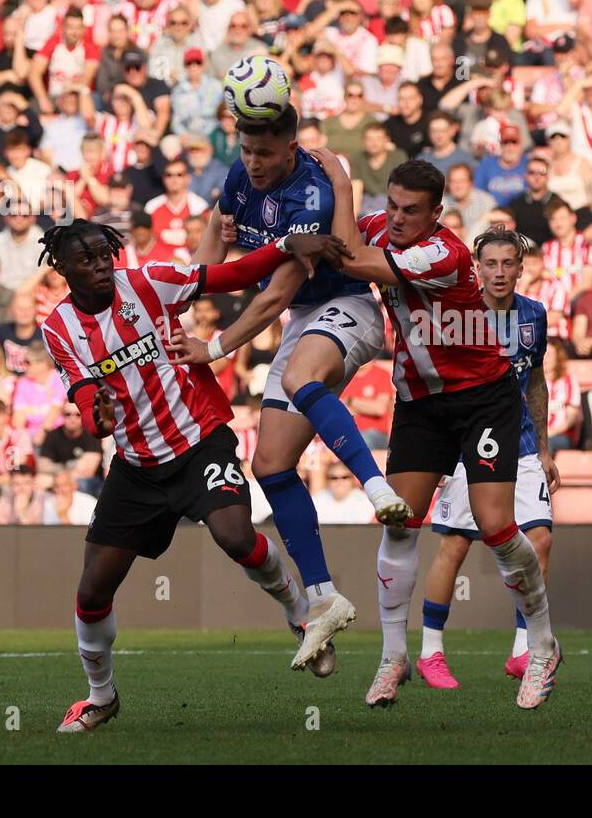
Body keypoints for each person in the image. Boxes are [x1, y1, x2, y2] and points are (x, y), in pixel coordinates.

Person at [38, 218, 347, 732]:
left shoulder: (147, 282)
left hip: (201, 438)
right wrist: (100, 419)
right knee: (92, 591)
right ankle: (101, 696)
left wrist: (287, 244)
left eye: (103, 253)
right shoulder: (58, 328)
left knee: (233, 535)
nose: (99, 264)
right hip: (136, 467)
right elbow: (86, 398)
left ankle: (302, 615)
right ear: (63, 268)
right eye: (85, 258)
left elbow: (232, 274)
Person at [166, 105, 412, 681]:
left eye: (265, 153)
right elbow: (206, 271)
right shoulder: (236, 176)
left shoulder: (313, 194)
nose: (253, 163)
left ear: (292, 147)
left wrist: (217, 347)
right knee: (270, 464)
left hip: (345, 308)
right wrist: (212, 232)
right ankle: (324, 599)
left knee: (301, 378)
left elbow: (275, 295)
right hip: (303, 321)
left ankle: (375, 486)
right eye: (247, 151)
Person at [315, 153, 560, 709]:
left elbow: (352, 259)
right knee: (400, 523)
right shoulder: (383, 226)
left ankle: (541, 645)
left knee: (497, 527)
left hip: (482, 399)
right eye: (393, 206)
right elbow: (346, 235)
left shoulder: (443, 252)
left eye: (411, 211)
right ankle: (393, 657)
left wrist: (337, 178)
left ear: (437, 212)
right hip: (420, 402)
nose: (397, 219)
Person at [419, 228, 559, 687]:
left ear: (521, 268)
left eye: (508, 264)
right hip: (468, 444)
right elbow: (437, 384)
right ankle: (431, 650)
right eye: (490, 264)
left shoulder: (535, 315)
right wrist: (439, 452)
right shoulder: (458, 314)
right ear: (476, 267)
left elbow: (534, 381)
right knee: (456, 545)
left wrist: (543, 446)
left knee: (539, 540)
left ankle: (523, 650)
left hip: (519, 444)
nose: (499, 273)